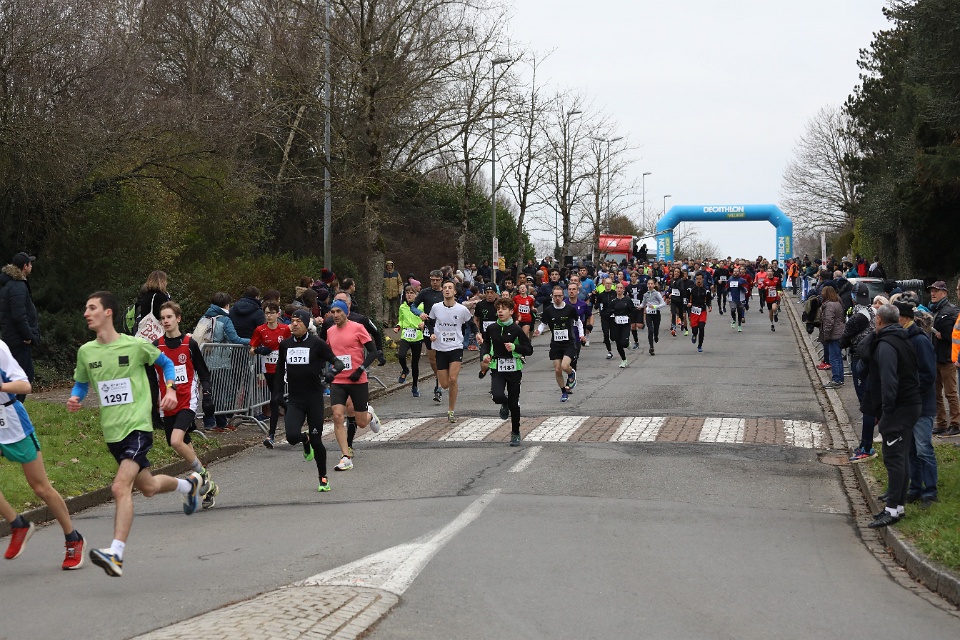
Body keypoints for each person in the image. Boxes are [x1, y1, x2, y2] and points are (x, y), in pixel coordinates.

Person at [68, 291, 208, 576]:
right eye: (86, 308)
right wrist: (75, 397)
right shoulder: (86, 352)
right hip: (113, 432)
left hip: (137, 427)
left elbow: (166, 363)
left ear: (108, 312)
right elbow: (82, 383)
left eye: (92, 308)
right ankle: (189, 486)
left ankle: (116, 554)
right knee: (149, 487)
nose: (86, 313)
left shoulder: (134, 345)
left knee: (120, 487)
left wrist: (170, 390)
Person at [1, 339, 86, 570]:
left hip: (12, 422)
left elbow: (24, 385)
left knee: (40, 487)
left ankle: (73, 538)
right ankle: (18, 524)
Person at [153, 301, 220, 508]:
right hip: (167, 403)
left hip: (187, 400)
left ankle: (202, 475)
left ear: (178, 318)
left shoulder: (189, 344)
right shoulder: (156, 346)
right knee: (182, 445)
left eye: (169, 317)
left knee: (176, 441)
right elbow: (151, 377)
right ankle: (207, 486)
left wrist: (207, 395)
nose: (165, 321)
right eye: (162, 318)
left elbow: (203, 372)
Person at [861, 304, 922, 528]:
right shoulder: (902, 338)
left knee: (894, 459)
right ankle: (897, 507)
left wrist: (886, 412)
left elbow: (889, 380)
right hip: (908, 405)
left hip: (898, 408)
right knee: (900, 457)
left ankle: (893, 510)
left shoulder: (887, 345)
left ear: (878, 320)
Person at [275, 309, 345, 491]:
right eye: (292, 321)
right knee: (291, 437)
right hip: (295, 399)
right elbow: (279, 369)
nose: (294, 324)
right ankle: (304, 440)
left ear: (307, 324)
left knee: (317, 441)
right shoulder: (286, 345)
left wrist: (332, 373)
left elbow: (338, 363)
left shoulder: (317, 343)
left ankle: (323, 477)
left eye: (299, 321)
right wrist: (277, 393)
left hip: (313, 399)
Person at [893, 299, 939, 507]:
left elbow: (928, 375)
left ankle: (930, 491)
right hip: (908, 405)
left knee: (923, 449)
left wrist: (912, 395)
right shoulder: (904, 338)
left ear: (904, 319)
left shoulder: (919, 340)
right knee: (911, 448)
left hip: (921, 405)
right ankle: (915, 488)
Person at [326, 301, 381, 469]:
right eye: (333, 312)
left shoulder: (357, 328)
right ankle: (346, 456)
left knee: (361, 422)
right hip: (338, 381)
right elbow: (327, 353)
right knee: (337, 416)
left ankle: (370, 414)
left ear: (346, 313)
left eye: (338, 312)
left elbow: (373, 352)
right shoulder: (330, 331)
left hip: (357, 380)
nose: (335, 315)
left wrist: (360, 369)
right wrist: (328, 370)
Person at [482, 298, 533, 445]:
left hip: (514, 369)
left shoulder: (516, 330)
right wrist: (485, 355)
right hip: (497, 367)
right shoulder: (492, 328)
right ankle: (504, 403)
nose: (500, 311)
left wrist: (515, 347)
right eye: (498, 308)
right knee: (497, 396)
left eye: (504, 309)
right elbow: (486, 344)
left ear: (511, 312)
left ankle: (515, 433)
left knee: (514, 403)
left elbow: (529, 349)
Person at [425, 281, 476, 422]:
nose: (447, 290)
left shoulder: (461, 309)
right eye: (445, 288)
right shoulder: (436, 307)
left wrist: (477, 334)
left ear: (454, 292)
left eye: (450, 288)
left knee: (453, 379)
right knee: (445, 384)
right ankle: (446, 390)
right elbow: (430, 322)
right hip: (440, 348)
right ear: (442, 291)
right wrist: (431, 333)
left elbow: (471, 323)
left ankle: (451, 410)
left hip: (456, 347)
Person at [200, 292, 250, 432]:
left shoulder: (204, 318)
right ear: (226, 305)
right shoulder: (224, 320)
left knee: (208, 392)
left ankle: (211, 422)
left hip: (204, 359)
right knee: (221, 392)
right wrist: (252, 342)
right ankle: (219, 423)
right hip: (220, 361)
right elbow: (235, 339)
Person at [841, 283, 878, 462]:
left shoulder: (858, 316)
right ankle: (866, 442)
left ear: (854, 297)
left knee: (866, 403)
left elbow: (845, 337)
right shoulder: (873, 312)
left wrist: (842, 343)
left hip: (860, 358)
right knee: (868, 401)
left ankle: (866, 446)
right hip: (872, 357)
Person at [250, 301, 292, 447]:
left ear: (277, 314)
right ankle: (291, 408)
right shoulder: (260, 330)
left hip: (281, 369)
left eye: (272, 313)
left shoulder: (284, 329)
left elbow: (291, 346)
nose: (269, 316)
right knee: (277, 398)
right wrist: (258, 350)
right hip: (267, 369)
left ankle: (271, 435)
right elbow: (251, 349)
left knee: (274, 400)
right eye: (267, 313)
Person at [0, 252, 40, 402]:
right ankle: (11, 408)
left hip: (14, 338)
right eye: (30, 264)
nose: (31, 266)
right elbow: (18, 316)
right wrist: (28, 336)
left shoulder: (11, 284)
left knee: (26, 375)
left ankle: (14, 407)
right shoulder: (17, 286)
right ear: (25, 266)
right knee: (21, 379)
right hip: (19, 340)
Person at [534, 286, 583, 402]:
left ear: (563, 296)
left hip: (569, 343)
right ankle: (564, 392)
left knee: (565, 366)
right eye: (555, 296)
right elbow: (543, 323)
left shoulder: (570, 309)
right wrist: (538, 331)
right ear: (552, 296)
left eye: (559, 296)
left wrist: (581, 335)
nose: (557, 298)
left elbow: (578, 322)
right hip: (556, 344)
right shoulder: (549, 310)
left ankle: (571, 373)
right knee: (557, 370)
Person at [927, 281, 960, 436]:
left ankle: (955, 423)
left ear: (945, 293)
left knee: (950, 393)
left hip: (947, 358)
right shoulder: (934, 309)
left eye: (936, 291)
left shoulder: (952, 310)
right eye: (931, 291)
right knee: (935, 392)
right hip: (935, 356)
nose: (933, 293)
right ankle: (941, 423)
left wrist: (943, 335)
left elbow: (955, 334)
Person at [413, 271, 446, 402]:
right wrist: (419, 313)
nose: (435, 282)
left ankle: (439, 386)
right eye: (432, 280)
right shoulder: (425, 293)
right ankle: (439, 377)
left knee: (441, 357)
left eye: (437, 280)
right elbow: (413, 306)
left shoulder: (446, 292)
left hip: (444, 329)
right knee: (432, 360)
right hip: (429, 329)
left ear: (441, 280)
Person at [608, 282, 634, 368]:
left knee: (624, 343)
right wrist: (611, 312)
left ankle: (627, 343)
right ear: (615, 290)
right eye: (617, 288)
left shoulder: (627, 300)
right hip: (616, 324)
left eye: (621, 288)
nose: (619, 289)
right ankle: (623, 360)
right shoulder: (613, 301)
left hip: (626, 323)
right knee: (618, 343)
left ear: (623, 290)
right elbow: (609, 311)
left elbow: (632, 310)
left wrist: (630, 315)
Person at [639, 279, 667, 355]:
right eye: (649, 284)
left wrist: (655, 306)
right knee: (650, 330)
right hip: (648, 314)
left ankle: (656, 335)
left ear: (654, 285)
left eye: (651, 284)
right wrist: (639, 307)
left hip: (656, 314)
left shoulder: (657, 294)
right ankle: (651, 347)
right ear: (647, 285)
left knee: (656, 329)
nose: (650, 285)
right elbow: (643, 303)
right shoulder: (645, 295)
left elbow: (663, 303)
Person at [687, 273, 713, 353]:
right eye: (697, 279)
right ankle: (694, 335)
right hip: (693, 311)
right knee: (695, 330)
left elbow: (708, 300)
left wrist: (709, 306)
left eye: (700, 279)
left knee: (701, 328)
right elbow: (686, 298)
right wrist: (688, 303)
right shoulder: (691, 289)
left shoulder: (706, 290)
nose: (698, 280)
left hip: (702, 311)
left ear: (703, 280)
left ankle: (700, 345)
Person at [383, 260, 404, 327]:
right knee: (386, 308)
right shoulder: (383, 274)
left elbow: (400, 283)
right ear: (386, 266)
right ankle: (385, 322)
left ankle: (395, 322)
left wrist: (400, 291)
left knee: (394, 309)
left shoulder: (396, 273)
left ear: (392, 266)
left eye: (390, 265)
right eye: (388, 266)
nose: (389, 267)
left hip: (395, 294)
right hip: (386, 294)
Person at [727, 267, 748, 331]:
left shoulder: (742, 280)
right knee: (733, 310)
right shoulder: (730, 279)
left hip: (740, 298)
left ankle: (739, 325)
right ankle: (734, 319)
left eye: (737, 271)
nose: (735, 272)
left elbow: (746, 290)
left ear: (739, 272)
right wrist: (728, 289)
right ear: (733, 272)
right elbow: (726, 288)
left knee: (739, 312)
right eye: (734, 271)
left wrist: (741, 287)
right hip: (732, 298)